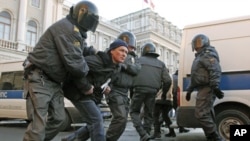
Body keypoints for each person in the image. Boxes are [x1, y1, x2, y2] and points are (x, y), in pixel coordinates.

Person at [22, 1, 99, 141]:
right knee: (38, 126)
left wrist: (94, 53)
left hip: (54, 81)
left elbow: (79, 51)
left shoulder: (74, 31)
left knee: (60, 119)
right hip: (40, 77)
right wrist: (86, 86)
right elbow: (76, 65)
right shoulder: (68, 29)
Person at [61, 39, 129, 141]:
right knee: (96, 121)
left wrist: (106, 87)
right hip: (77, 92)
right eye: (121, 50)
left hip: (92, 95)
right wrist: (86, 87)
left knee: (96, 121)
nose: (124, 54)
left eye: (126, 52)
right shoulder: (96, 60)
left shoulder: (116, 67)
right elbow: (75, 70)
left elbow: (100, 80)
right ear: (112, 50)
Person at [185, 34, 224, 141]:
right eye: (196, 43)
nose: (197, 46)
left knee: (201, 114)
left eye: (199, 43)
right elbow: (195, 76)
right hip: (202, 88)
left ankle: (215, 138)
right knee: (207, 113)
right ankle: (211, 137)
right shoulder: (200, 56)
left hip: (207, 87)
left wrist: (215, 86)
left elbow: (215, 69)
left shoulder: (207, 54)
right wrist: (189, 90)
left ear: (204, 42)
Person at [130, 42, 172, 141]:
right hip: (153, 91)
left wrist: (131, 91)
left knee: (134, 111)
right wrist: (164, 93)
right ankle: (146, 134)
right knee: (149, 114)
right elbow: (168, 81)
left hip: (139, 89)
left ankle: (142, 133)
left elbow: (131, 75)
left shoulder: (137, 60)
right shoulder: (161, 64)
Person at [106, 31, 141, 141]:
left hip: (125, 92)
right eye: (126, 47)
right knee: (120, 118)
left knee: (122, 121)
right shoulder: (113, 53)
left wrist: (124, 66)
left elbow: (137, 69)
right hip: (114, 89)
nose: (129, 49)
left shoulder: (134, 58)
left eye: (131, 47)